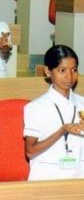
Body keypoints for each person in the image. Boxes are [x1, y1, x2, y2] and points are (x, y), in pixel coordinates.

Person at [24, 45, 84, 181]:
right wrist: (62, 131)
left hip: (80, 175)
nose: (69, 76)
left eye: (74, 70)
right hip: (48, 177)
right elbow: (30, 151)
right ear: (48, 71)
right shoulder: (36, 107)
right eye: (62, 70)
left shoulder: (82, 103)